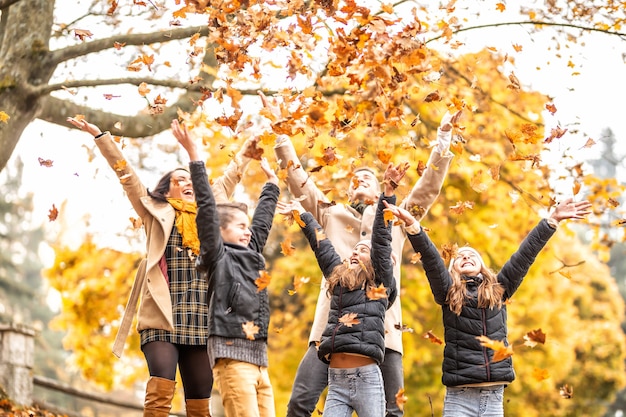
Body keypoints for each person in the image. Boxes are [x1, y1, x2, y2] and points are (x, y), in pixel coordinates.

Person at [262, 91, 462, 417]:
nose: (362, 178)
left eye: (368, 176)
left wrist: (442, 140)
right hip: (331, 329)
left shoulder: (393, 214)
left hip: (382, 330)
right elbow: (299, 182)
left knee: (392, 411)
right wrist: (280, 134)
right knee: (300, 403)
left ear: (379, 186)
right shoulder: (330, 214)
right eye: (356, 177)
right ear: (348, 189)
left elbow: (428, 187)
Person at [68, 117, 257, 417]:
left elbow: (233, 174)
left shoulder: (211, 211)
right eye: (178, 180)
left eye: (190, 179)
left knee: (199, 402)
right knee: (159, 391)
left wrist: (253, 143)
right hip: (161, 316)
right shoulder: (153, 210)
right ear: (165, 191)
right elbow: (126, 174)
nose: (186, 183)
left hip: (202, 318)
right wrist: (100, 136)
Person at [383, 198, 592, 416]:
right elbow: (431, 259)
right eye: (459, 257)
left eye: (471, 255)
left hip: (493, 396)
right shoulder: (448, 292)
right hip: (459, 396)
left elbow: (524, 256)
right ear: (453, 269)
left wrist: (551, 220)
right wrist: (413, 227)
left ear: (482, 266)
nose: (465, 256)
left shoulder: (500, 289)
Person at [276, 161, 406, 417]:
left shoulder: (380, 280)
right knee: (300, 404)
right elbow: (322, 246)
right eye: (354, 250)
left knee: (392, 409)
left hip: (368, 369)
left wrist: (388, 193)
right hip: (337, 373)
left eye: (363, 250)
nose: (357, 250)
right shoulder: (339, 277)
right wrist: (301, 215)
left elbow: (381, 238)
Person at [175, 126, 280, 417]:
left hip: (260, 361)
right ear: (221, 232)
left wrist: (272, 185)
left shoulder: (251, 255)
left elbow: (261, 225)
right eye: (240, 226)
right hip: (232, 359)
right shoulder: (217, 255)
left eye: (247, 227)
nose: (248, 232)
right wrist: (195, 156)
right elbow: (207, 208)